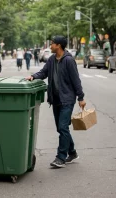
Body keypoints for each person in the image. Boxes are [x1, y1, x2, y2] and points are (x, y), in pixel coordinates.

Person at [26, 36, 86, 168]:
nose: (50, 46)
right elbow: (44, 72)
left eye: (52, 44)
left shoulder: (69, 61)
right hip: (55, 99)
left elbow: (76, 80)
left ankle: (61, 157)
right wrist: (33, 76)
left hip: (67, 100)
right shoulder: (52, 59)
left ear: (58, 46)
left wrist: (81, 97)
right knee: (61, 128)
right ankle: (72, 152)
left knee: (63, 127)